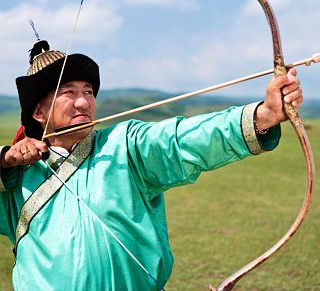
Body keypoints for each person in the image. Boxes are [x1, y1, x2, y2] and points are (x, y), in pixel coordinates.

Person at [0, 39, 303, 291]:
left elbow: (184, 139)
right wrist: (4, 159)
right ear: (39, 111)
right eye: (69, 92)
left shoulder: (126, 145)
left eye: (88, 92)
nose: (83, 102)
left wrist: (263, 115)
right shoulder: (16, 177)